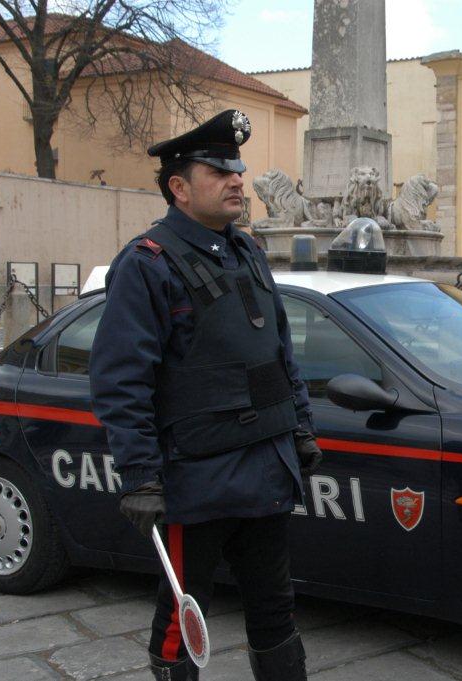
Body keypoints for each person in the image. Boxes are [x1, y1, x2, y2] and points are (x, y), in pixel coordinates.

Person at [89, 109, 321, 681]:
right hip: (195, 479)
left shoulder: (247, 253)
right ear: (178, 187)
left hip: (265, 470)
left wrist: (299, 427)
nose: (237, 180)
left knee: (276, 610)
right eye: (218, 171)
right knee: (182, 621)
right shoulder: (148, 264)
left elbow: (280, 354)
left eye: (237, 169)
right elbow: (121, 381)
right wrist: (141, 475)